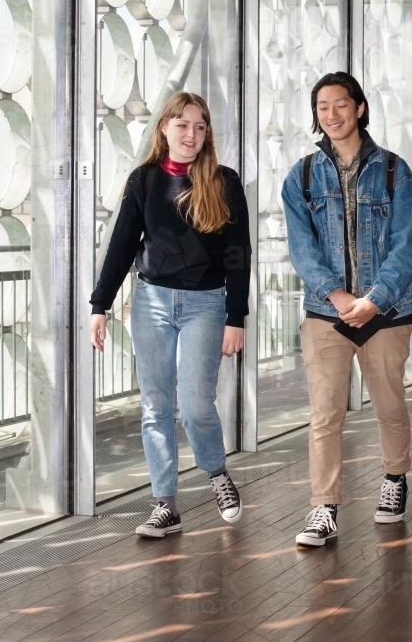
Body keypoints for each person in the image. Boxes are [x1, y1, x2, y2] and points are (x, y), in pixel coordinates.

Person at [89, 92, 251, 538]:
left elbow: (239, 253)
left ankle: (217, 473)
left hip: (206, 303)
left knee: (197, 405)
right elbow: (122, 244)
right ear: (164, 128)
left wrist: (236, 316)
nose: (191, 134)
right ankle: (166, 505)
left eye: (200, 127)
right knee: (155, 407)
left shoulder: (224, 181)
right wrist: (99, 304)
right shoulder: (143, 181)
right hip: (151, 303)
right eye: (182, 125)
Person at [281, 72, 412, 548]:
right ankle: (323, 508)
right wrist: (338, 297)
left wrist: (373, 300)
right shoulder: (300, 176)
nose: (332, 114)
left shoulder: (394, 172)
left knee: (388, 404)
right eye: (323, 107)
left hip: (388, 308)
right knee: (325, 415)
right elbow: (302, 250)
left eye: (341, 104)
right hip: (327, 312)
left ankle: (395, 476)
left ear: (360, 107)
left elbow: (406, 247)